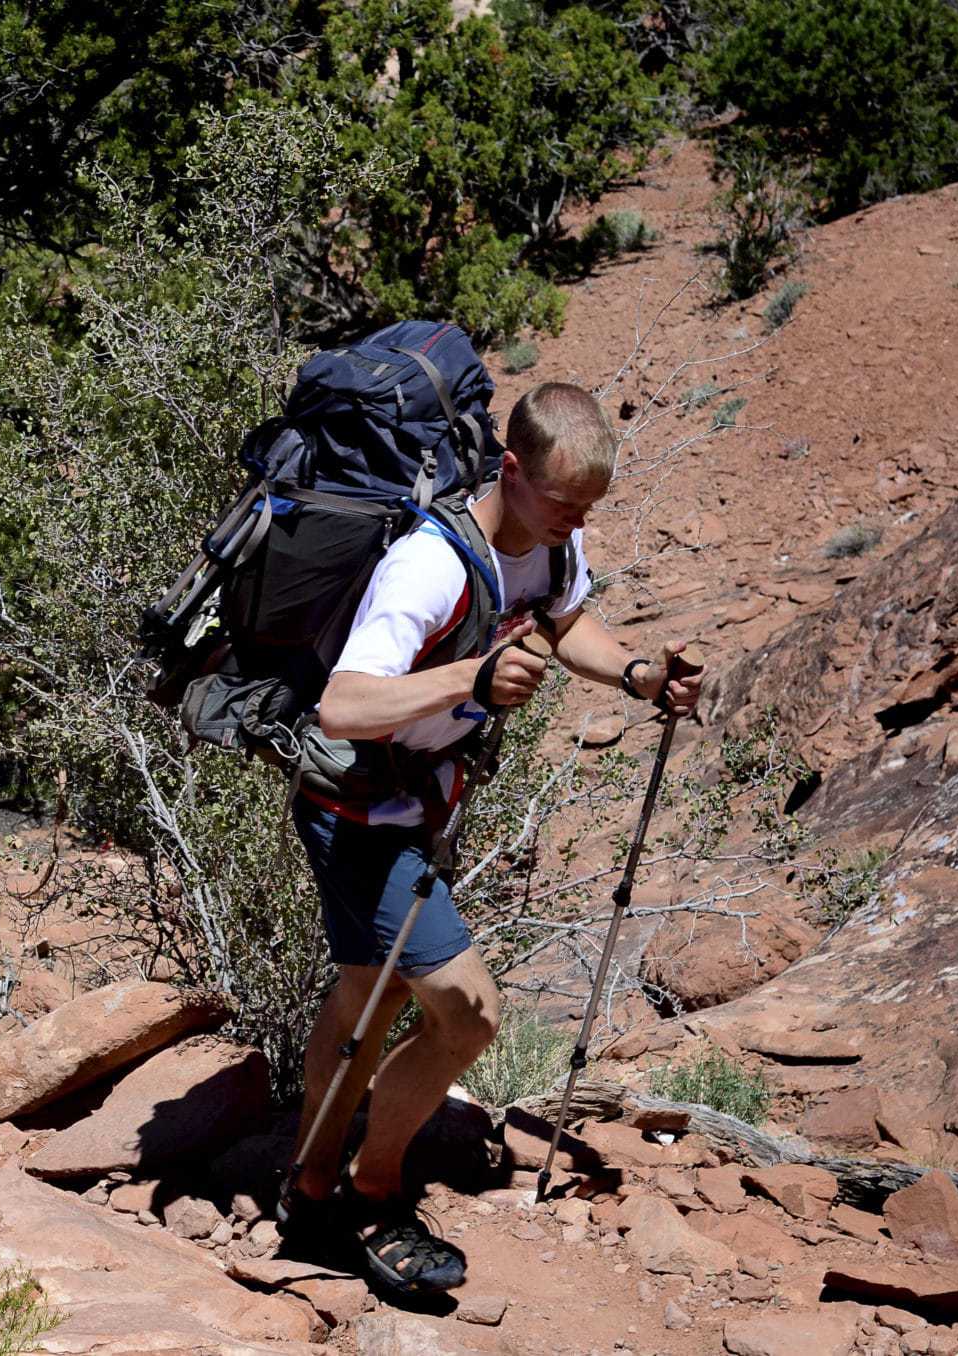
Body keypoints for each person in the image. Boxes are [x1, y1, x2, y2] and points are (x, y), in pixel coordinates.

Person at [280, 382, 704, 1294]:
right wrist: (470, 678)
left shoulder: (552, 540)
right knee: (468, 1011)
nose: (571, 521)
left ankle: (311, 1190)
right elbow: (344, 704)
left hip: (419, 804)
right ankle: (376, 1190)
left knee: (366, 994)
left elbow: (562, 617)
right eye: (559, 502)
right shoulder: (428, 568)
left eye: (585, 508)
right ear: (511, 470)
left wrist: (633, 672)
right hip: (357, 810)